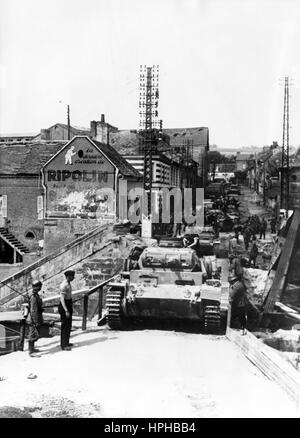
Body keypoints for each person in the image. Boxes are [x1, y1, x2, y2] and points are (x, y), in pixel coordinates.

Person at [58, 270, 75, 351]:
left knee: (68, 325)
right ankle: (63, 345)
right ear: (68, 276)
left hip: (68, 304)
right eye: (72, 276)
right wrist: (66, 310)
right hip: (64, 306)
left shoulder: (68, 283)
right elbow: (62, 299)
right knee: (65, 326)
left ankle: (66, 342)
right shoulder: (64, 285)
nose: (73, 278)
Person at [27, 280, 44, 357]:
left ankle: (32, 349)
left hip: (35, 317)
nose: (40, 288)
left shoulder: (35, 295)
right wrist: (35, 321)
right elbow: (33, 310)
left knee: (34, 333)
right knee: (32, 334)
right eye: (40, 286)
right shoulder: (33, 297)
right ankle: (31, 352)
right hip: (33, 318)